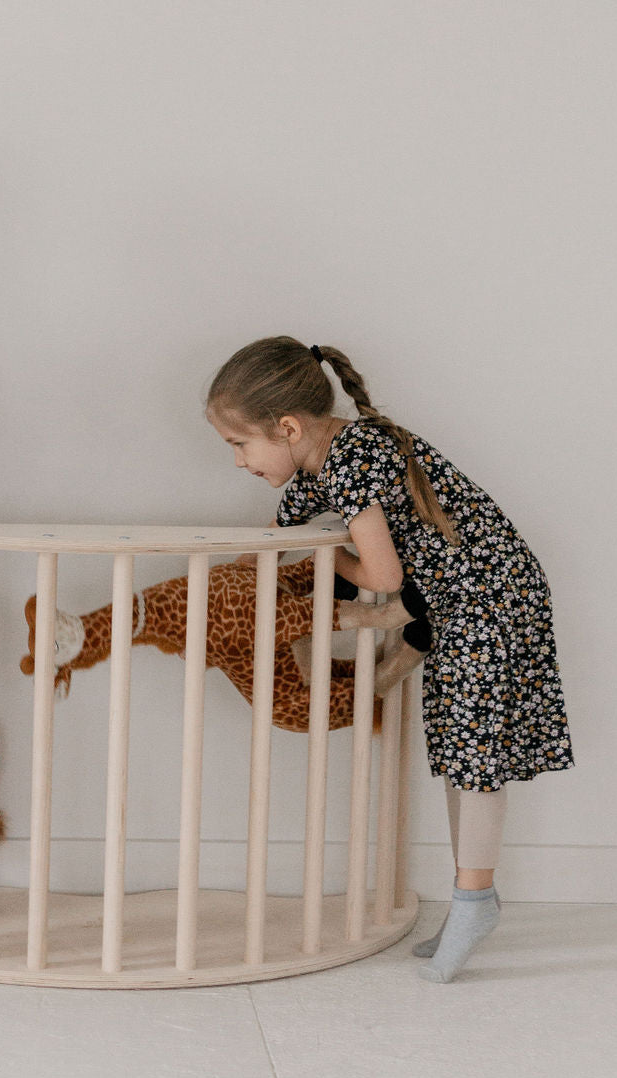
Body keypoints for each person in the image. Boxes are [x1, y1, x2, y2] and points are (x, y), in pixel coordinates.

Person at [206, 335, 574, 983]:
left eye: (240, 444)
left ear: (287, 427)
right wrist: (237, 578)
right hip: (464, 599)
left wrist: (328, 555)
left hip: (491, 594)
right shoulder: (318, 466)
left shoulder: (354, 458)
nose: (238, 461)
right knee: (459, 751)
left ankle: (474, 902)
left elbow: (381, 574)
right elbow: (273, 542)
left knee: (474, 756)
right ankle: (474, 901)